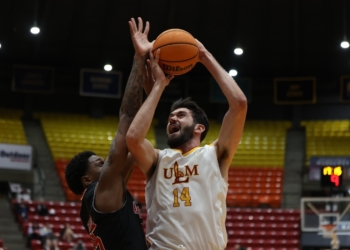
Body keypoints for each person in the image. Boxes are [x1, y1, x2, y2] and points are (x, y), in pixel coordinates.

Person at [126, 41, 247, 249]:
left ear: (199, 128)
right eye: (170, 117)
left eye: (181, 115)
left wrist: (204, 55)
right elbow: (133, 138)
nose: (172, 119)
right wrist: (159, 85)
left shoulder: (215, 154)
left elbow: (239, 104)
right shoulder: (158, 160)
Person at [64, 17, 153, 249]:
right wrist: (138, 58)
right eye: (100, 163)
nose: (108, 163)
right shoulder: (100, 193)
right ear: (87, 180)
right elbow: (127, 119)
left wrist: (154, 90)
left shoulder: (96, 204)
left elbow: (135, 139)